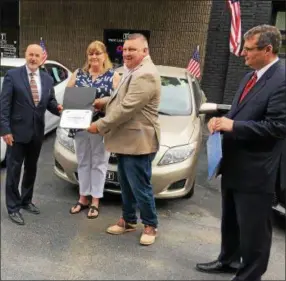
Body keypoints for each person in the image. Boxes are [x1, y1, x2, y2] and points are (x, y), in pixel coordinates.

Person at [196, 25, 286, 281]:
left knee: (255, 229)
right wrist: (220, 121)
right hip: (234, 164)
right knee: (232, 221)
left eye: (248, 49)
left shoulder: (282, 79)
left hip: (257, 170)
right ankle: (229, 259)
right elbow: (239, 113)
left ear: (267, 50)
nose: (242, 54)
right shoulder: (250, 77)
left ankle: (250, 275)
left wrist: (233, 125)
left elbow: (278, 127)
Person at [87, 33, 161, 246]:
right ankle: (129, 220)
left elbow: (127, 108)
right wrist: (103, 101)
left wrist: (99, 126)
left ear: (145, 51)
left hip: (138, 141)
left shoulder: (145, 74)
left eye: (133, 50)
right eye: (125, 49)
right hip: (126, 140)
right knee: (126, 185)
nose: (127, 53)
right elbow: (121, 99)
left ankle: (150, 225)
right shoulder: (132, 71)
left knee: (140, 186)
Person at [0, 44, 63, 225]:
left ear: (42, 57)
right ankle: (13, 207)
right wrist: (5, 130)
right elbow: (4, 106)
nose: (33, 58)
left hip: (37, 132)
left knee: (31, 168)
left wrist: (60, 109)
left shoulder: (46, 78)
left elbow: (50, 102)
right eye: (30, 55)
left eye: (37, 55)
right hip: (16, 133)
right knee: (13, 170)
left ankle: (26, 201)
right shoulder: (13, 76)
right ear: (25, 55)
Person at [68, 40, 120, 219]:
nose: (94, 57)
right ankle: (83, 198)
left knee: (99, 163)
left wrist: (103, 102)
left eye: (98, 53)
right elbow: (69, 97)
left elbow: (118, 102)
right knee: (83, 161)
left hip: (100, 127)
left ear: (105, 55)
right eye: (91, 53)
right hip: (80, 126)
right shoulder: (78, 74)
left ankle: (95, 200)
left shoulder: (113, 76)